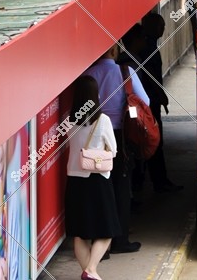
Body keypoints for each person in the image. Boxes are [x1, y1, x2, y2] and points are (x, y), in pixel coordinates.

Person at [82, 45, 151, 254]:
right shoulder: (125, 72)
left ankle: (98, 244)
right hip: (120, 139)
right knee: (121, 188)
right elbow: (145, 101)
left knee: (98, 189)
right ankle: (120, 240)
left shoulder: (88, 74)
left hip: (93, 138)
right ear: (113, 51)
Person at [65, 74, 118, 277]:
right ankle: (91, 269)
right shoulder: (102, 120)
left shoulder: (68, 122)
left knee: (80, 233)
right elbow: (112, 151)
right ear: (95, 95)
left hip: (75, 180)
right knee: (107, 230)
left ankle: (88, 273)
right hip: (98, 180)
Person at [137, 14, 183, 194]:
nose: (163, 29)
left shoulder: (148, 47)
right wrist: (160, 96)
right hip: (150, 102)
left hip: (150, 100)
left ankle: (155, 180)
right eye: (161, 25)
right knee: (155, 140)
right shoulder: (149, 50)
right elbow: (152, 78)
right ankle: (159, 181)